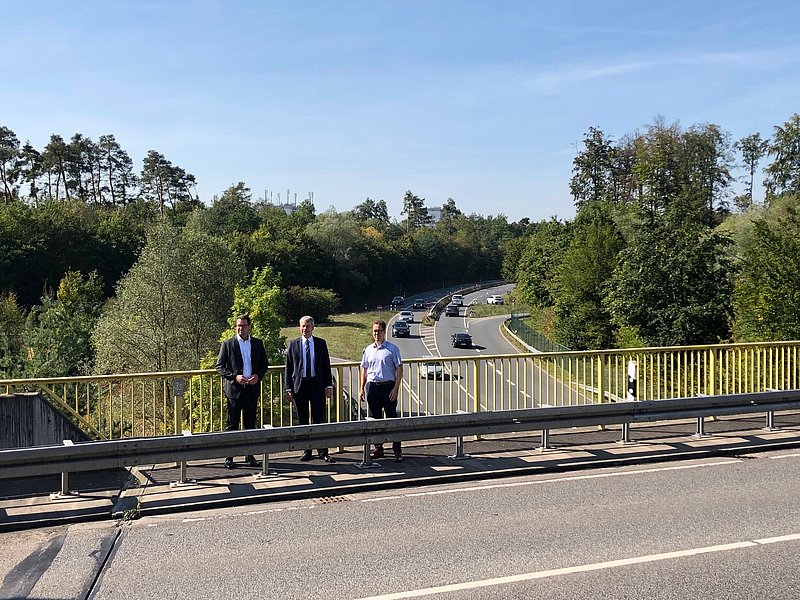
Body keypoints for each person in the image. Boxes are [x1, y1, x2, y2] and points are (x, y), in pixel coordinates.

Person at [215, 314, 269, 469]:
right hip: (234, 391)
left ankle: (249, 455)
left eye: (243, 325)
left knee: (250, 425)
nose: (240, 328)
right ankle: (229, 457)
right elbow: (220, 366)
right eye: (238, 325)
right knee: (232, 425)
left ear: (249, 327)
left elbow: (264, 364)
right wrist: (235, 377)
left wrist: (257, 376)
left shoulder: (257, 343)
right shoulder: (228, 344)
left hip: (251, 390)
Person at [285, 315, 335, 463]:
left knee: (319, 418)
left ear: (313, 327)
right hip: (299, 386)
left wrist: (328, 385)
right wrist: (288, 388)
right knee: (303, 420)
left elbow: (326, 365)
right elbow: (288, 368)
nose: (304, 329)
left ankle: (323, 451)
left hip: (316, 385)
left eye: (307, 326)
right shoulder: (293, 344)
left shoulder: (320, 343)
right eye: (302, 326)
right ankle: (307, 451)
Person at [359, 319, 404, 462]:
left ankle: (397, 450)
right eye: (374, 331)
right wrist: (361, 388)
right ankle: (378, 449)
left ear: (384, 332)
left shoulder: (392, 349)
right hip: (373, 388)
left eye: (379, 331)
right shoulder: (368, 350)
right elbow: (364, 369)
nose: (376, 333)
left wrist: (396, 389)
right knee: (375, 420)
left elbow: (399, 369)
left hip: (388, 387)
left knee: (392, 419)